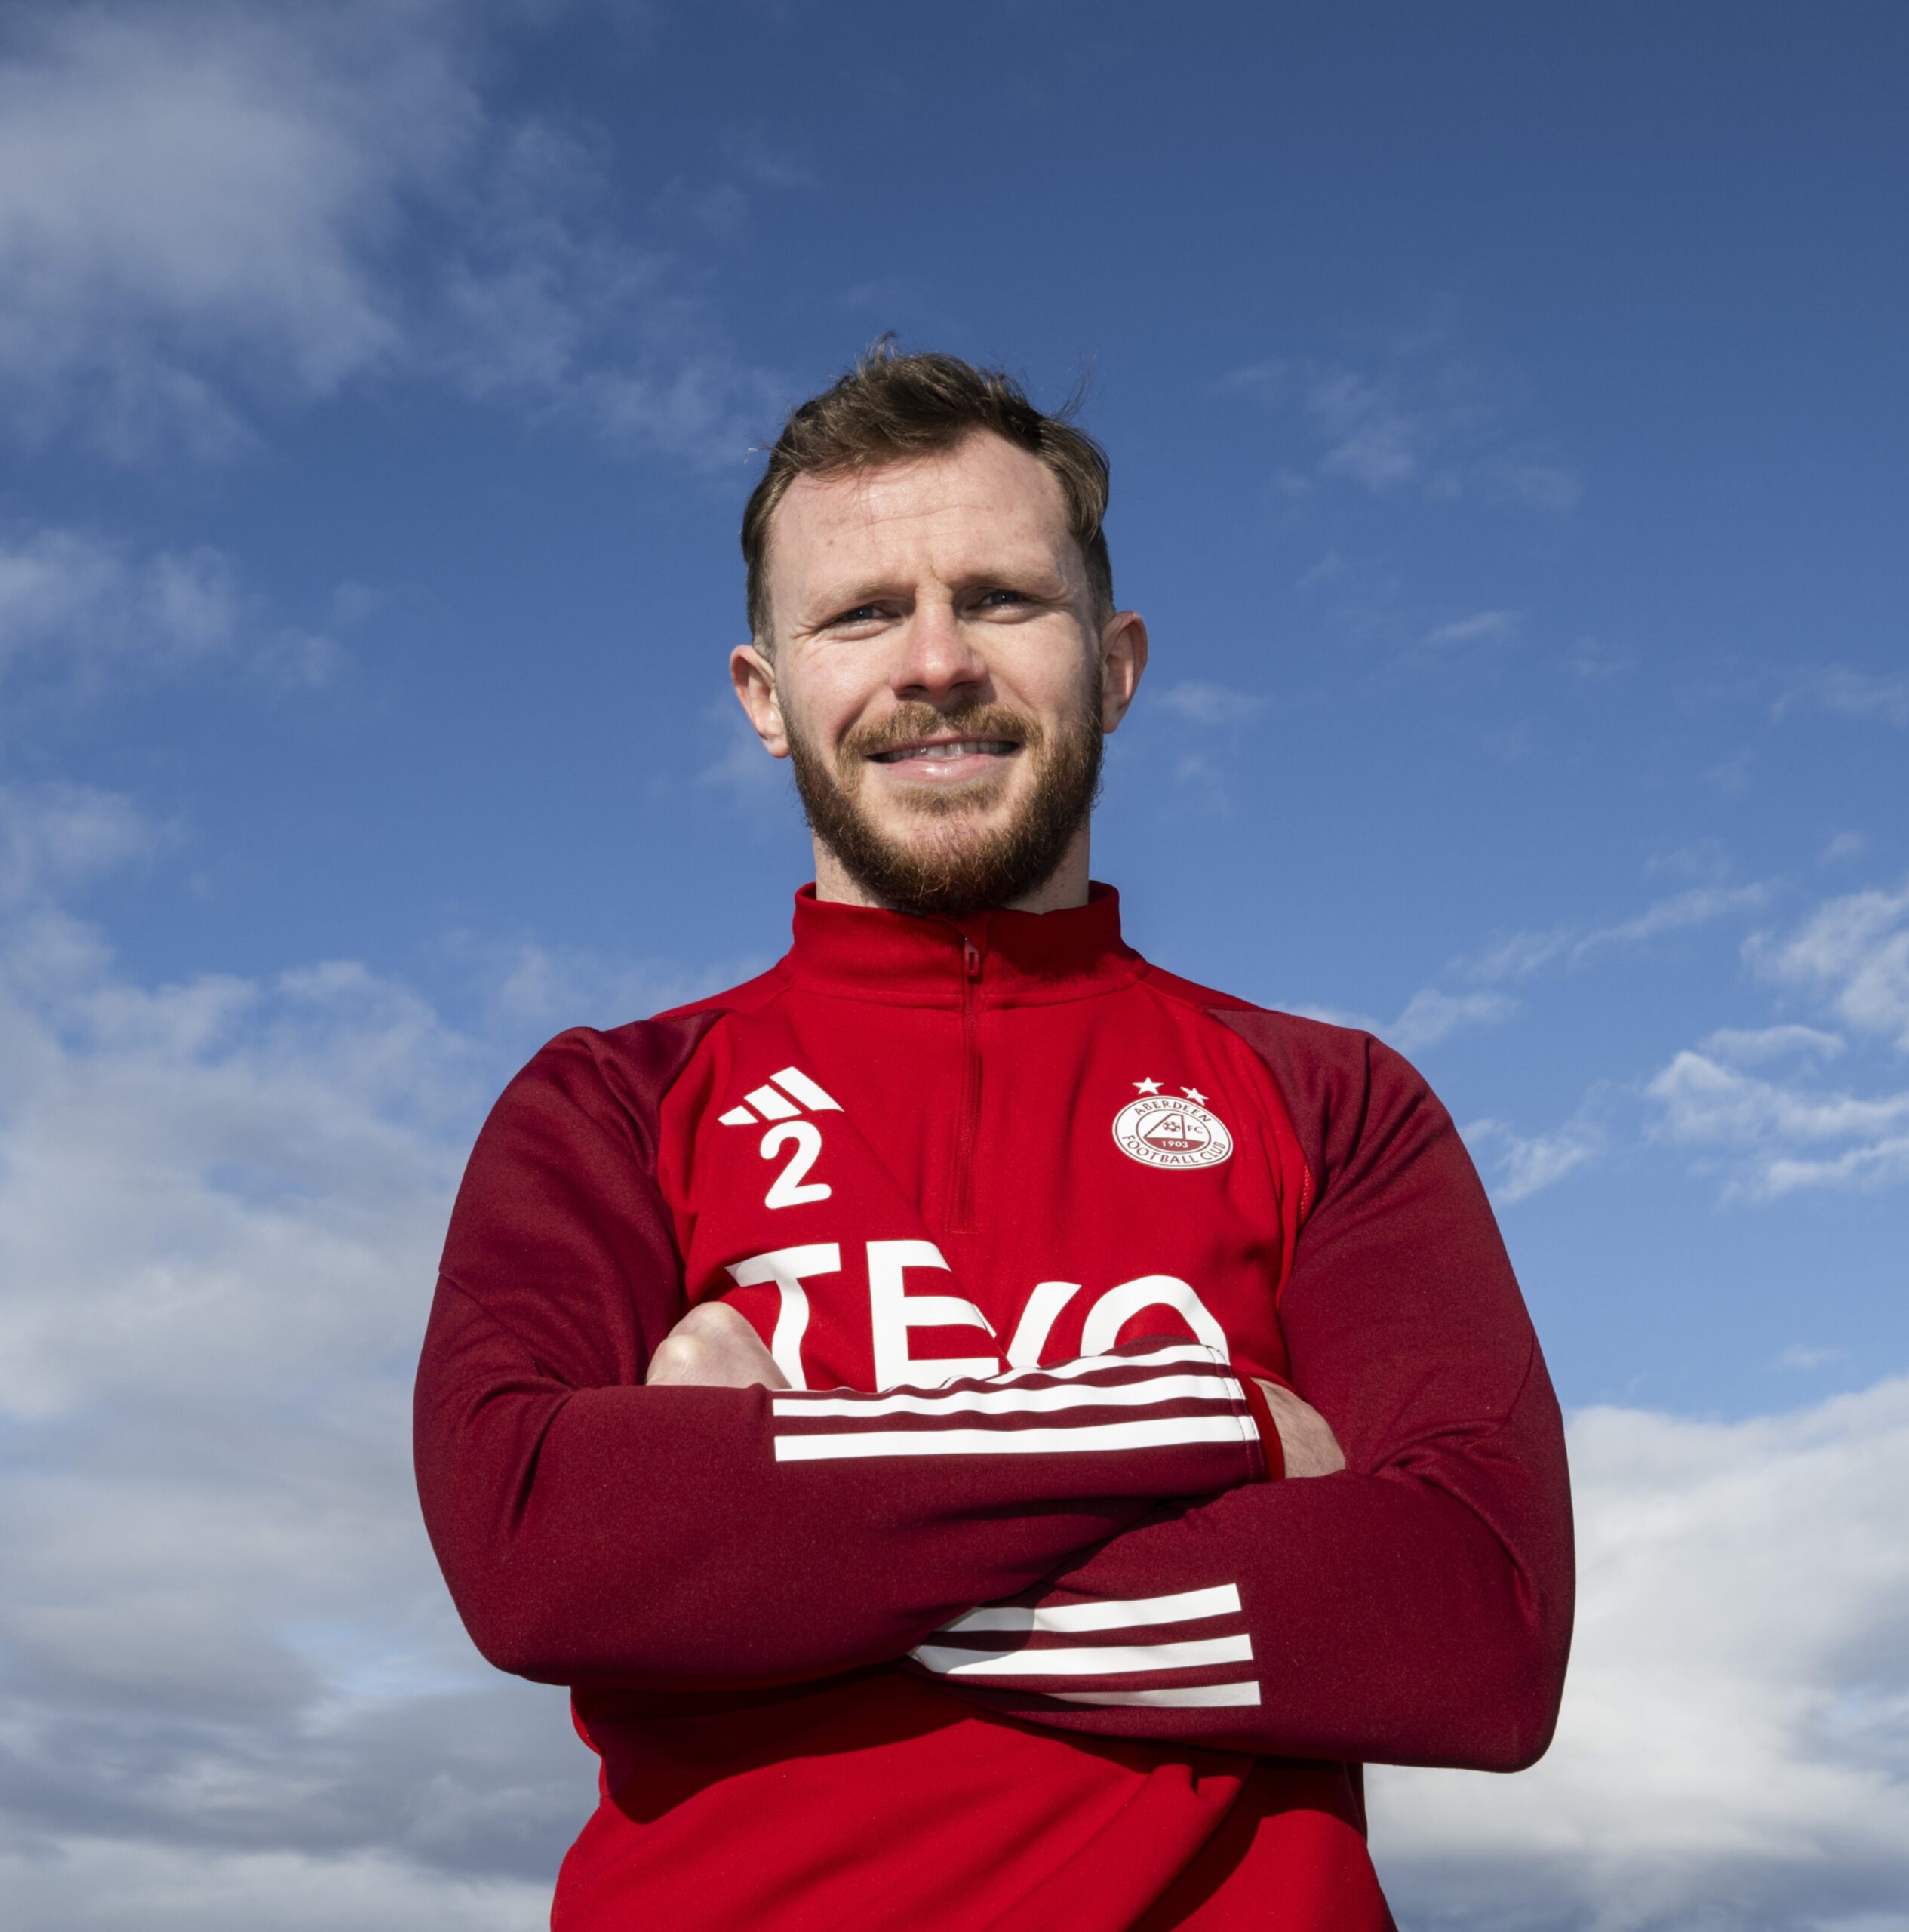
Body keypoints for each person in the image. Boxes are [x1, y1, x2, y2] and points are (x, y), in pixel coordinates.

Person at [413, 346, 1574, 1930]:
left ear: (1114, 664)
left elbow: (1475, 1627)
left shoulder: (1334, 1100)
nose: (934, 660)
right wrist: (1212, 1421)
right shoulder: (610, 1102)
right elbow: (540, 1543)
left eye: (1001, 599)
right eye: (859, 612)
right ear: (765, 694)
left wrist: (763, 1537)